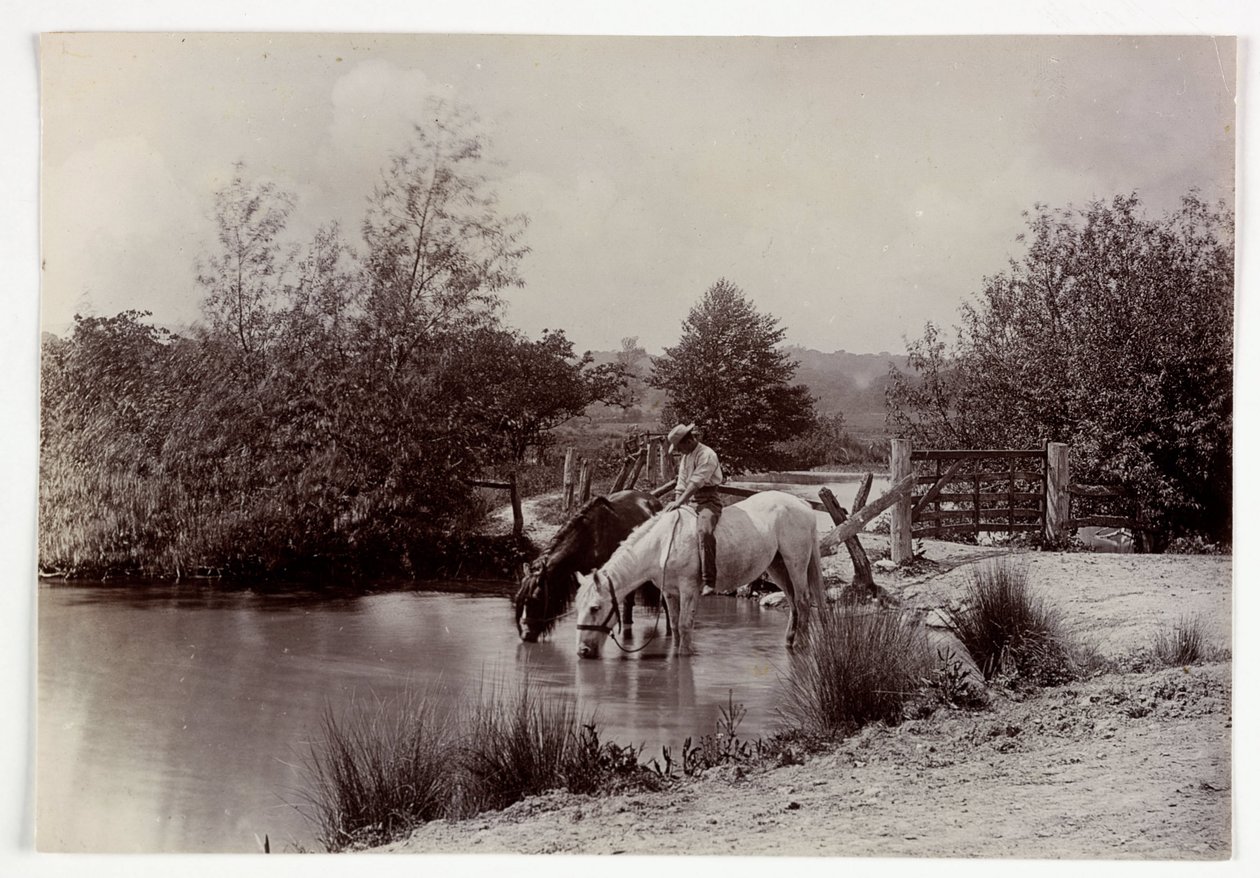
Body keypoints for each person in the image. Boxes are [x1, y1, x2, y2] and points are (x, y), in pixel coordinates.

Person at [663, 423, 724, 595]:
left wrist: (680, 501)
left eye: (679, 447)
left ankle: (709, 580)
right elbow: (682, 482)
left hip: (708, 501)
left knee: (704, 531)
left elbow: (696, 483)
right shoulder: (687, 456)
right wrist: (676, 505)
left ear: (688, 441)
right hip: (690, 500)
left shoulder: (707, 455)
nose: (679, 451)